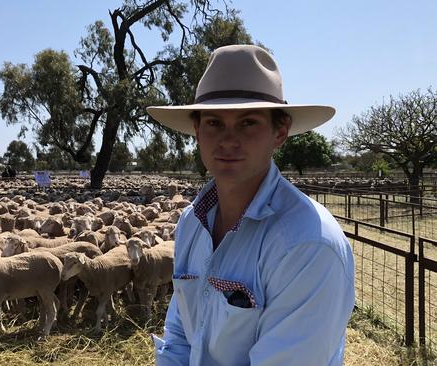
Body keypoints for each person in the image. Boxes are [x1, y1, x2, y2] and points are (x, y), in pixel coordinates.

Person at [146, 45, 354, 365]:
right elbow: (180, 334)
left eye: (248, 123)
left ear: (279, 132)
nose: (228, 140)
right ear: (197, 132)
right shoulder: (191, 224)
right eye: (214, 123)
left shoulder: (307, 245)